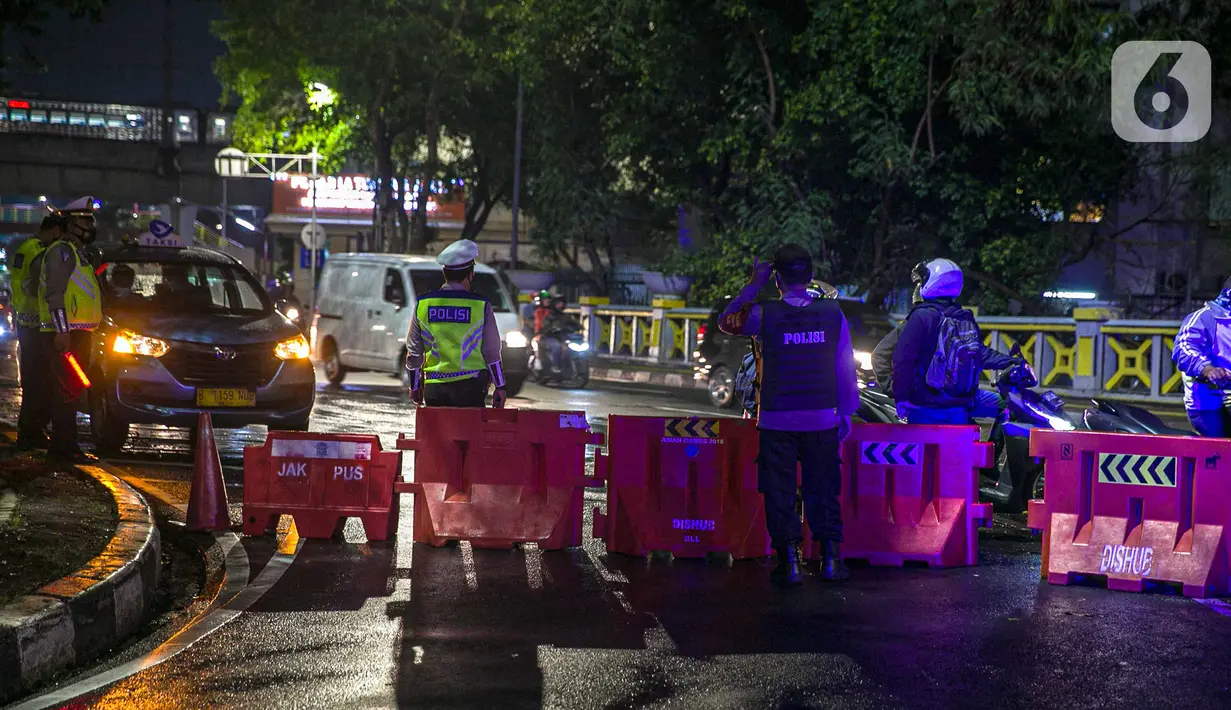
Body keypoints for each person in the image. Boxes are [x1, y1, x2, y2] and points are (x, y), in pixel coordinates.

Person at [718, 245, 859, 586]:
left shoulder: (763, 314)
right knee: (823, 490)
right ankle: (829, 561)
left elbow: (727, 321)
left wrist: (753, 284)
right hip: (822, 418)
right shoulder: (832, 312)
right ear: (811, 277)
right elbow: (845, 366)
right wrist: (846, 412)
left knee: (779, 492)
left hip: (776, 420)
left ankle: (790, 564)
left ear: (777, 280)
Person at [884, 259, 1019, 424]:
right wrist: (1010, 361)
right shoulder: (962, 317)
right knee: (1002, 406)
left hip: (925, 407)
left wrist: (901, 398)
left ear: (932, 282)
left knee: (929, 449)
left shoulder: (921, 317)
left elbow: (902, 361)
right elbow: (981, 353)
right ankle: (995, 448)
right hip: (959, 405)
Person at [37, 197, 103, 461]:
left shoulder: (77, 253)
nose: (89, 225)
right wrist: (62, 331)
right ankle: (62, 449)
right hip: (66, 335)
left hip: (79, 333)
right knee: (67, 392)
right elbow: (55, 294)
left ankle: (66, 446)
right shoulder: (61, 252)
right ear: (70, 223)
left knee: (72, 391)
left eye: (90, 220)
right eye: (84, 220)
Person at [405, 239, 507, 408]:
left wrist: (415, 386)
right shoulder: (480, 305)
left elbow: (413, 354)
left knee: (436, 435)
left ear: (445, 273)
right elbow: (491, 352)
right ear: (470, 274)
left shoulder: (423, 304)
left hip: (434, 388)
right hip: (470, 389)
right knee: (468, 434)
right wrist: (500, 386)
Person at [9, 217, 59, 450]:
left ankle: (29, 431)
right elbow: (36, 285)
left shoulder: (26, 247)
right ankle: (31, 431)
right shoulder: (41, 252)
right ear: (55, 230)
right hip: (37, 322)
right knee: (42, 380)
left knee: (33, 380)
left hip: (25, 320)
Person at [1172, 279, 1231, 436]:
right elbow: (1184, 349)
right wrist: (1208, 369)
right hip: (1209, 403)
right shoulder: (1204, 318)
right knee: (1219, 451)